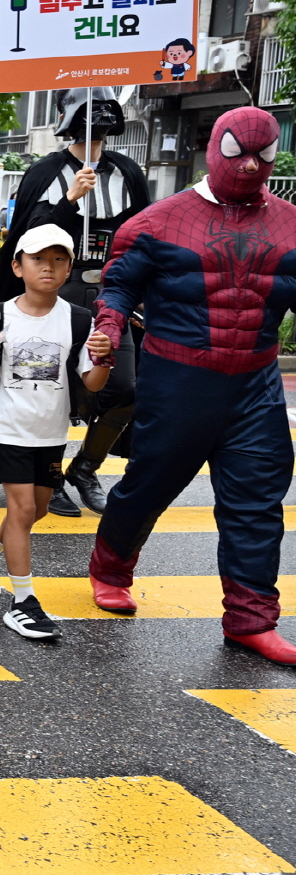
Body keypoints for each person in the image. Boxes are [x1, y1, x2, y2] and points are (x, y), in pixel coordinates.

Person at [87, 106, 296, 666]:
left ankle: (252, 619)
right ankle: (110, 567)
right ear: (214, 149)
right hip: (178, 379)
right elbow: (118, 286)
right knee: (150, 483)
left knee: (258, 501)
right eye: (237, 153)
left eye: (262, 155)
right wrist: (108, 328)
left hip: (256, 383)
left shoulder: (290, 223)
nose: (249, 166)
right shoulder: (158, 222)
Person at [0, 88, 148, 518]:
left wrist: (143, 296)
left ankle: (86, 467)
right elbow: (26, 239)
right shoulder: (46, 171)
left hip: (113, 294)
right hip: (55, 293)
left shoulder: (127, 172)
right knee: (51, 386)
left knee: (125, 389)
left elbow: (144, 237)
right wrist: (69, 200)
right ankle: (51, 476)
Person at [0, 224, 112, 641]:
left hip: (51, 430)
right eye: (38, 259)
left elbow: (92, 382)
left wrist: (104, 359)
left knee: (38, 510)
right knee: (22, 509)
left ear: (69, 268)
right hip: (8, 427)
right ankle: (23, 603)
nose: (49, 267)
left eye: (59, 259)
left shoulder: (79, 319)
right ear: (18, 267)